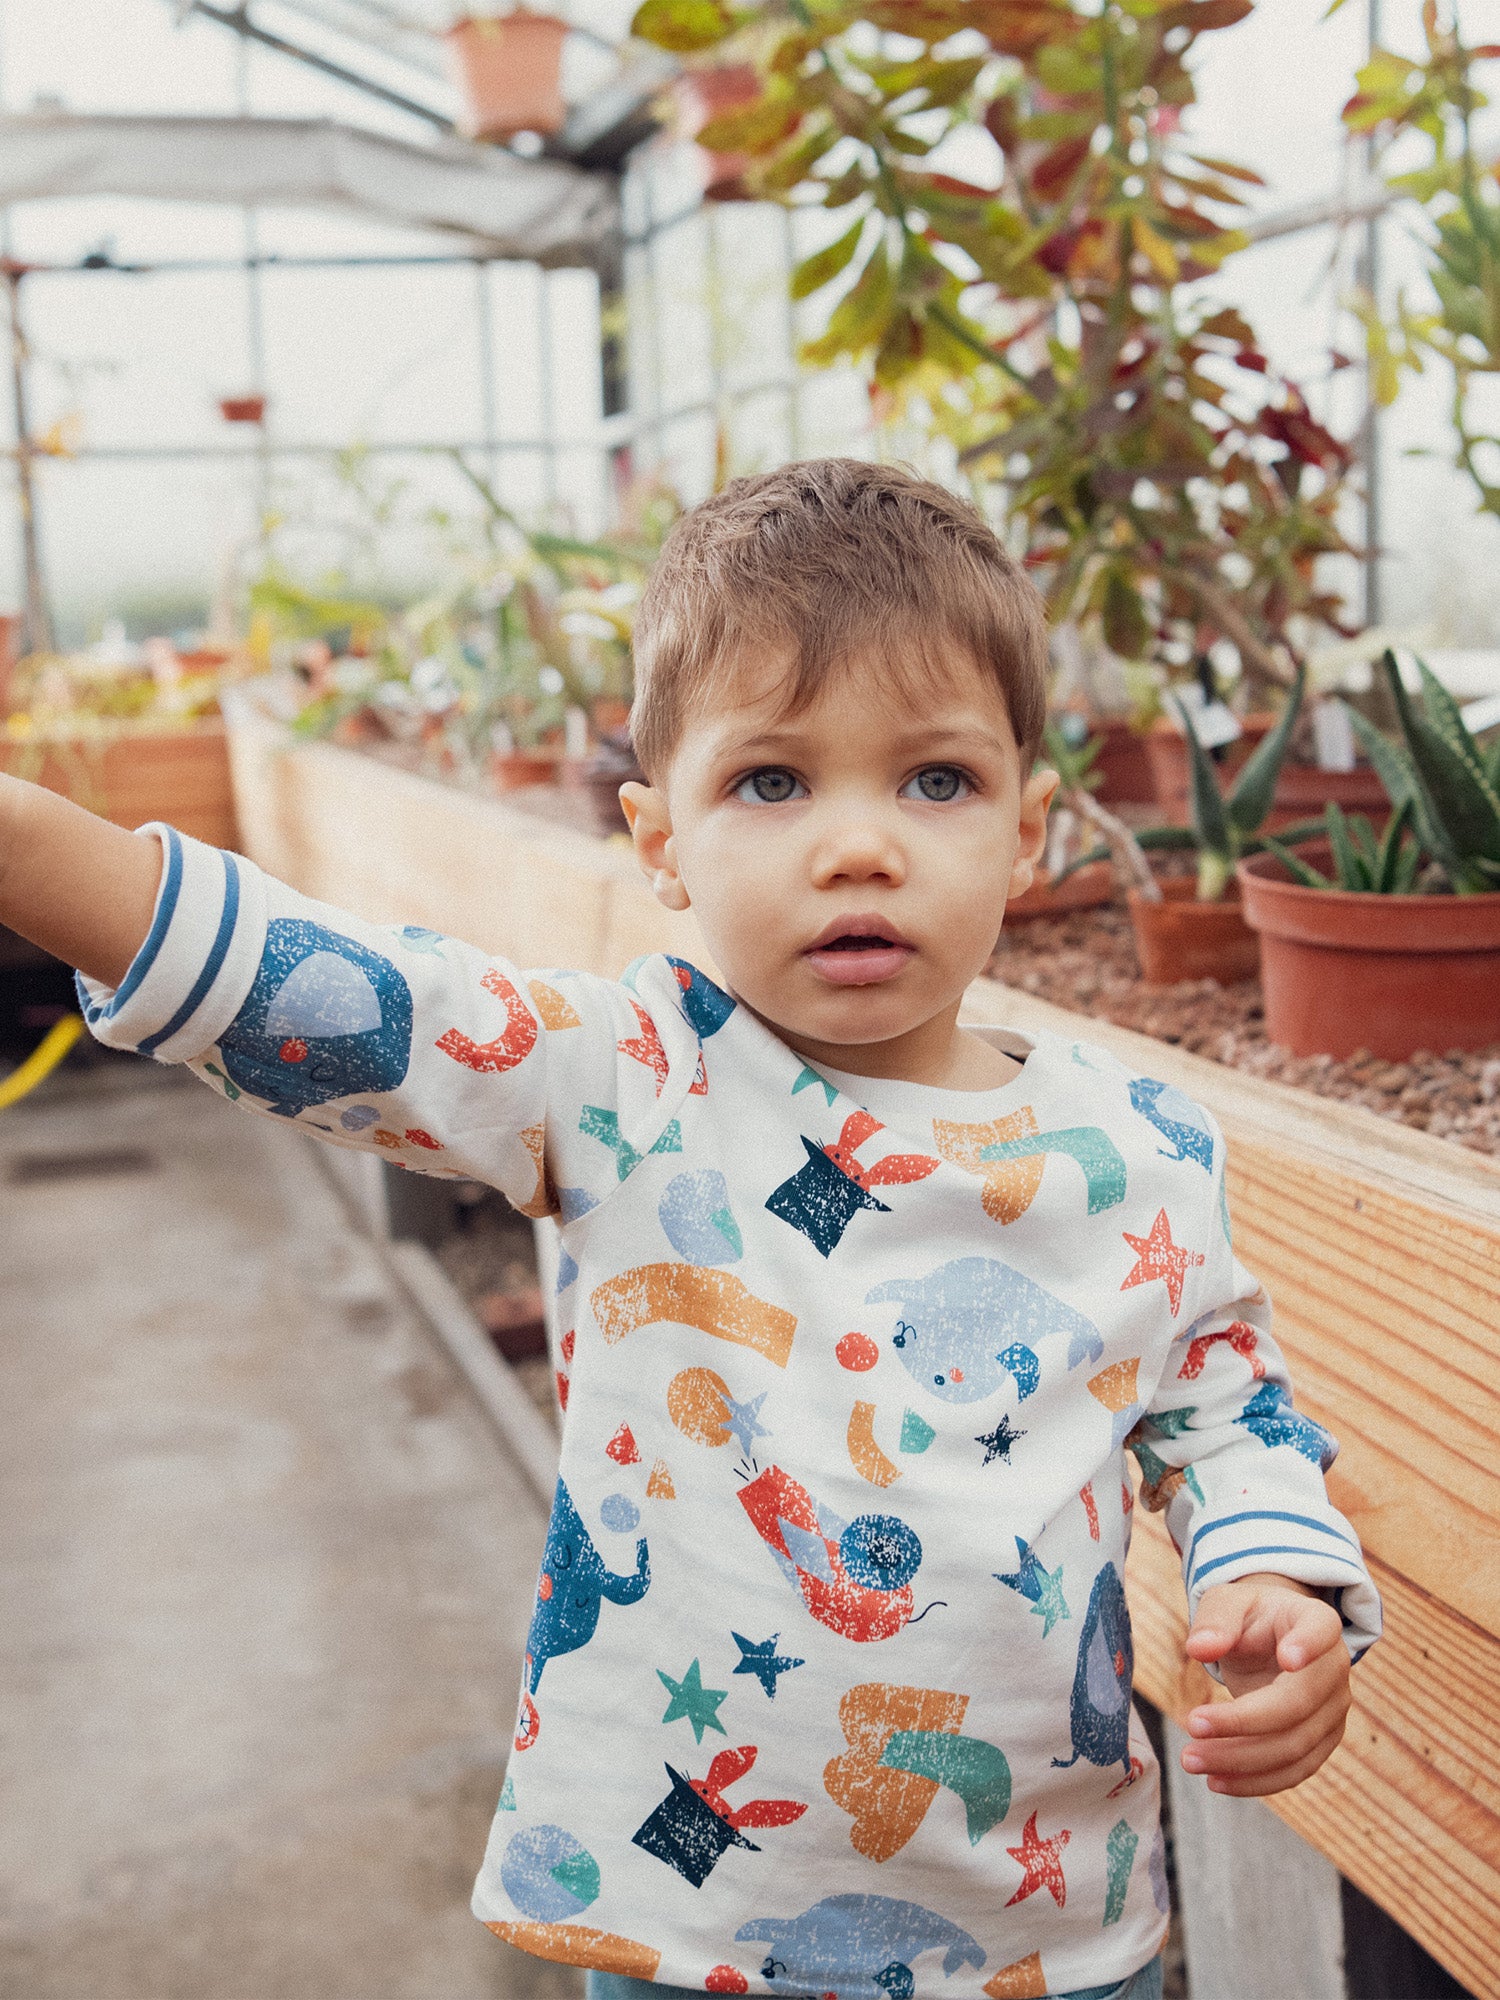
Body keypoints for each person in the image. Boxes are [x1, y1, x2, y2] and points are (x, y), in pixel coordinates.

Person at [0, 460, 1379, 2000]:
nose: (859, 845)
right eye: (772, 783)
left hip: (1051, 1942)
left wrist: (1279, 1581)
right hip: (690, 1933)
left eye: (935, 781)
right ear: (659, 842)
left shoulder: (1142, 1151)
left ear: (1031, 829)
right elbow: (337, 994)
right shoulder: (627, 1083)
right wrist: (31, 849)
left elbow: (1230, 1415)